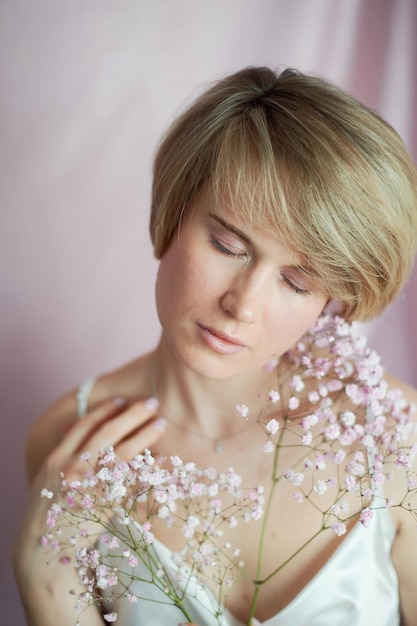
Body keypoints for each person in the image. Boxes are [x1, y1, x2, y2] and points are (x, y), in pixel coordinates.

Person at [13, 66, 417, 626]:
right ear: (172, 213)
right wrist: (45, 587)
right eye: (228, 245)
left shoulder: (391, 432)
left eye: (297, 283)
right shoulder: (71, 447)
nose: (244, 305)